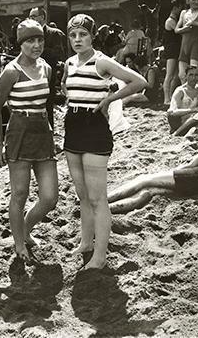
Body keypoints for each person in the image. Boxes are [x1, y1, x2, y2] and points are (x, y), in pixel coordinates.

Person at [62, 14, 148, 270]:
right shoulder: (68, 62)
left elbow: (139, 82)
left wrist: (109, 99)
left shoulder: (102, 61)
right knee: (82, 196)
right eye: (73, 35)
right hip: (73, 128)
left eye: (83, 35)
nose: (77, 40)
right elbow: (70, 93)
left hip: (94, 129)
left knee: (98, 198)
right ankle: (86, 243)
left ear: (92, 36)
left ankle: (100, 256)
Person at [0, 19, 59, 263]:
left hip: (42, 131)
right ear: (21, 43)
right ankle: (19, 244)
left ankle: (25, 229)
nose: (36, 45)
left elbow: (48, 106)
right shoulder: (10, 72)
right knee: (20, 193)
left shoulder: (47, 68)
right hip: (18, 131)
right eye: (30, 40)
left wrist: (53, 132)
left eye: (39, 40)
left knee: (50, 197)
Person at [108, 106, 198, 213]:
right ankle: (109, 208)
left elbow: (193, 164)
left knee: (145, 180)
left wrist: (172, 172)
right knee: (150, 191)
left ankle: (104, 201)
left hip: (197, 176)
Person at [29, 7, 66, 123]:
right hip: (31, 74)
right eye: (30, 17)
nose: (31, 19)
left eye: (33, 16)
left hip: (47, 76)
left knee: (47, 104)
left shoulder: (54, 33)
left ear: (42, 18)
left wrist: (39, 50)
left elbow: (58, 53)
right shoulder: (29, 35)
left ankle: (48, 132)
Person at [167, 66, 198, 135]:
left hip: (194, 120)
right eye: (191, 75)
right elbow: (173, 112)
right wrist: (192, 110)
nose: (194, 78)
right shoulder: (180, 91)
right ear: (186, 76)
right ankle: (177, 133)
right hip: (179, 121)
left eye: (196, 75)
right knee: (195, 116)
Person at [162, 0, 183, 105]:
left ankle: (170, 96)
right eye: (180, 8)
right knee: (169, 75)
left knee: (176, 75)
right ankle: (166, 98)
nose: (180, 10)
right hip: (171, 50)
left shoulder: (174, 19)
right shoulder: (170, 21)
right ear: (175, 8)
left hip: (176, 49)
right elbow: (179, 31)